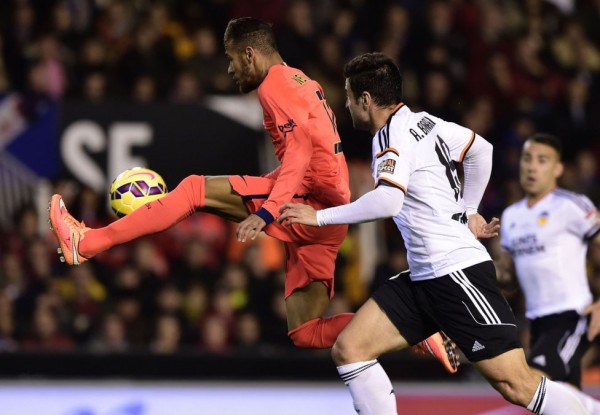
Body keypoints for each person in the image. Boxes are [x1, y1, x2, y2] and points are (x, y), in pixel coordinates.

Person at [48, 18, 456, 370]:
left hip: (307, 204)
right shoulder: (302, 81)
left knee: (192, 189)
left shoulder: (274, 87)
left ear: (249, 55)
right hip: (328, 216)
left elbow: (298, 153)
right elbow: (307, 151)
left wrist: (267, 212)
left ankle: (88, 241)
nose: (229, 69)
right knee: (305, 331)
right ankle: (419, 334)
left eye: (230, 59)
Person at [277, 52, 588, 414]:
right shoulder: (424, 122)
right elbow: (480, 150)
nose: (345, 104)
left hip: (456, 272)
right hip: (425, 275)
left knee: (517, 385)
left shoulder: (391, 135)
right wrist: (468, 210)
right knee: (350, 349)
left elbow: (389, 201)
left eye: (348, 96)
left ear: (365, 99)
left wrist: (318, 218)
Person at [499, 133, 600, 414]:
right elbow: (508, 279)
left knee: (532, 384)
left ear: (557, 169)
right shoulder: (511, 217)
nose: (532, 167)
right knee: (564, 402)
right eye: (527, 159)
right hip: (538, 322)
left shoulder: (572, 205)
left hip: (572, 316)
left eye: (542, 161)